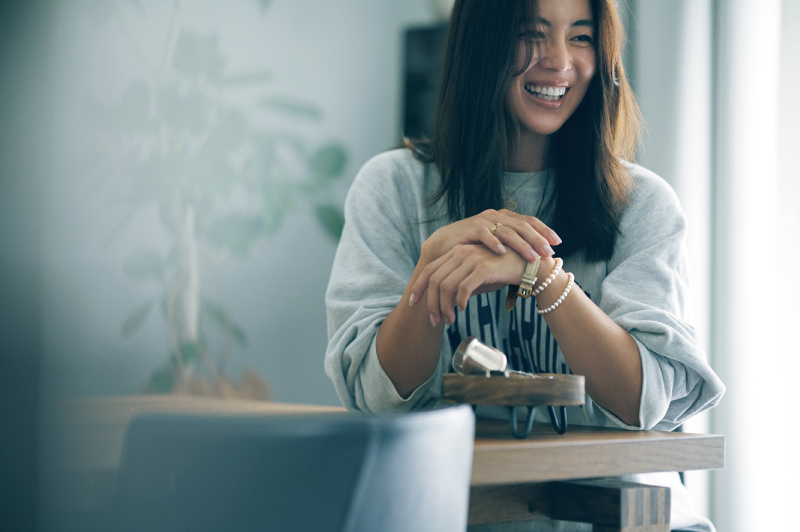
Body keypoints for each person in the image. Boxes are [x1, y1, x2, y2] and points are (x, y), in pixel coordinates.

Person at [325, 0, 725, 530]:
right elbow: (377, 401)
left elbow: (641, 402)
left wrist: (542, 276)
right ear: (481, 45)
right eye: (531, 34)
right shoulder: (394, 189)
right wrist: (430, 275)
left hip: (626, 518)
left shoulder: (643, 204)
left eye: (581, 38)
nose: (559, 61)